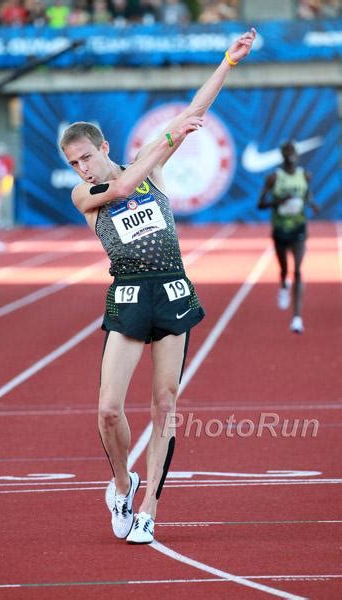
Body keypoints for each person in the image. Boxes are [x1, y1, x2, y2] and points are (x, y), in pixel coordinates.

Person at [60, 28, 256, 544]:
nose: (82, 168)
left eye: (86, 157)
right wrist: (170, 139)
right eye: (74, 164)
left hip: (170, 289)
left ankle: (148, 507)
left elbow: (195, 108)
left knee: (165, 402)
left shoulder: (151, 166)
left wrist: (228, 63)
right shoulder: (88, 194)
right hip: (127, 294)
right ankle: (122, 483)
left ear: (103, 146)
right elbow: (123, 186)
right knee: (107, 411)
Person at [258, 140, 320, 334]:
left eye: (293, 151)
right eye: (287, 151)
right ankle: (283, 283)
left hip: (299, 228)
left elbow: (307, 196)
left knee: (299, 271)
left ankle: (296, 318)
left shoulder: (305, 175)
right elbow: (260, 204)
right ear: (282, 154)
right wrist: (277, 201)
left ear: (297, 154)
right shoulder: (274, 177)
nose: (290, 154)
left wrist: (312, 204)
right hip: (280, 228)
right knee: (285, 269)